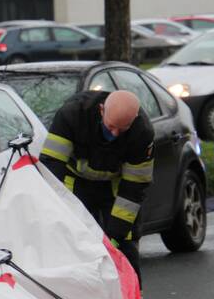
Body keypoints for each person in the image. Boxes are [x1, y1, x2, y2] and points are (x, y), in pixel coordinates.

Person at [39, 90, 154, 282]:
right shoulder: (72, 115)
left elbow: (134, 187)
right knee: (71, 240)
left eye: (122, 129)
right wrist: (56, 211)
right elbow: (52, 167)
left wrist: (115, 234)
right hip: (75, 181)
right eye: (111, 126)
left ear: (133, 120)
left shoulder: (142, 132)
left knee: (125, 242)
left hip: (115, 188)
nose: (115, 133)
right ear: (101, 110)